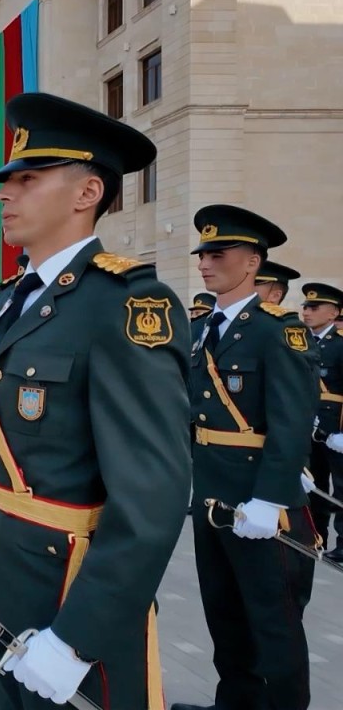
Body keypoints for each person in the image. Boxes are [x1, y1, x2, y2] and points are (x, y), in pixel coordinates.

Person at [0, 92, 191, 709]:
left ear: (86, 193)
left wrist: (77, 639)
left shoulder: (123, 302)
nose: (3, 193)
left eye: (27, 178)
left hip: (76, 582)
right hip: (13, 557)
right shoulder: (20, 297)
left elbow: (152, 497)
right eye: (7, 180)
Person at [173, 207, 319, 710]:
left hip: (261, 503)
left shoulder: (278, 330)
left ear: (252, 261)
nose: (205, 264)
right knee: (224, 612)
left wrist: (269, 499)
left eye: (218, 254)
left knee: (273, 622)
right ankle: (233, 702)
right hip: (213, 496)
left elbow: (293, 422)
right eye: (203, 255)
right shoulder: (201, 330)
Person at [301, 282, 343, 561]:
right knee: (313, 486)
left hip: (336, 431)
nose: (307, 312)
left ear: (334, 313)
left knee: (341, 489)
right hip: (309, 429)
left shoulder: (340, 346)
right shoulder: (301, 342)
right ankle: (316, 537)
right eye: (305, 306)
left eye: (314, 307)